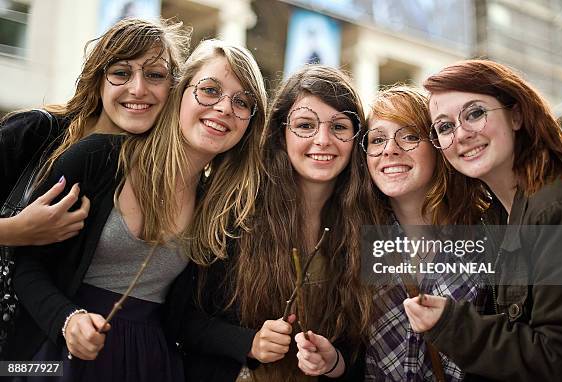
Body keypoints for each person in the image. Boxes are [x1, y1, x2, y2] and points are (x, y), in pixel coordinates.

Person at [13, 38, 267, 382]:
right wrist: (66, 319)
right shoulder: (98, 158)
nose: (224, 108)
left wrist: (250, 342)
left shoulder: (220, 208)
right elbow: (26, 264)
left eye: (242, 102)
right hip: (55, 356)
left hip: (151, 363)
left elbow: (184, 318)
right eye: (209, 90)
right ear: (179, 93)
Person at [403, 59, 562, 381]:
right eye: (444, 127)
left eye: (475, 113)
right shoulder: (501, 213)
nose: (461, 135)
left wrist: (452, 324)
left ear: (516, 114)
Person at [0, 17, 190, 359]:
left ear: (173, 88)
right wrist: (15, 230)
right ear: (98, 77)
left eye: (155, 75)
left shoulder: (140, 167)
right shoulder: (33, 131)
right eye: (121, 72)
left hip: (33, 348)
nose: (138, 89)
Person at [182, 65, 372, 382]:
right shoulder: (236, 213)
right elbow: (182, 319)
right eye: (305, 125)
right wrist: (249, 343)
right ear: (280, 135)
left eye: (339, 127)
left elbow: (364, 352)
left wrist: (334, 362)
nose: (323, 140)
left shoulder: (366, 223)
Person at [361, 85, 491, 381]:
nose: (390, 149)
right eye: (377, 139)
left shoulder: (487, 234)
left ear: (437, 144)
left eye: (409, 136)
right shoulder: (357, 239)